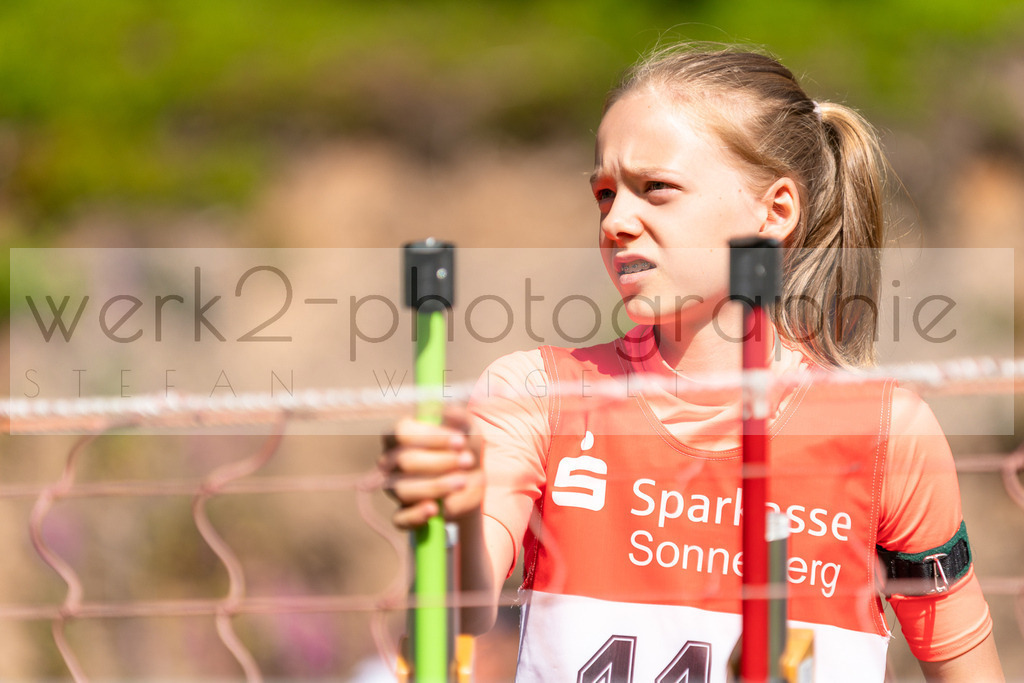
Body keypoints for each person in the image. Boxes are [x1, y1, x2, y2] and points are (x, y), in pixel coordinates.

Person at [380, 44, 1003, 681]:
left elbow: (965, 663)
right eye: (604, 193)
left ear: (776, 211)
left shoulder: (886, 429)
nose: (617, 220)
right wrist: (447, 520)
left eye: (658, 190)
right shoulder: (535, 392)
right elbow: (452, 619)